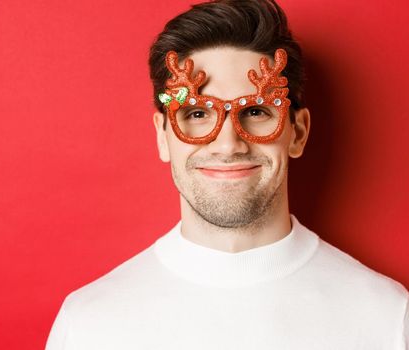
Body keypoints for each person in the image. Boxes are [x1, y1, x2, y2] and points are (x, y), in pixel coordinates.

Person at [44, 0, 409, 349]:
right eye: (198, 115)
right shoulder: (89, 325)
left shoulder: (387, 317)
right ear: (163, 135)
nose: (228, 145)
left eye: (256, 111)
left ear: (297, 132)